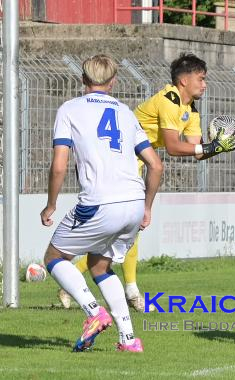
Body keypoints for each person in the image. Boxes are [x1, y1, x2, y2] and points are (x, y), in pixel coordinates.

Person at [58, 53, 235, 312]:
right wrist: (210, 146)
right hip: (122, 159)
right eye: (201, 79)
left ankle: (84, 283)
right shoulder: (169, 101)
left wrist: (221, 146)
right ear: (183, 80)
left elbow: (195, 149)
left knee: (125, 233)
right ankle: (129, 291)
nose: (204, 84)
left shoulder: (191, 110)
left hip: (140, 160)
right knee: (128, 230)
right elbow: (175, 147)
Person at [41, 55, 163, 352]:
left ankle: (94, 311)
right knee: (99, 265)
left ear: (82, 79)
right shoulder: (125, 112)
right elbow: (156, 166)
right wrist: (146, 208)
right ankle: (129, 339)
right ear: (113, 82)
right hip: (133, 202)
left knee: (54, 258)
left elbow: (59, 164)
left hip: (100, 202)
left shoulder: (70, 109)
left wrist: (51, 204)